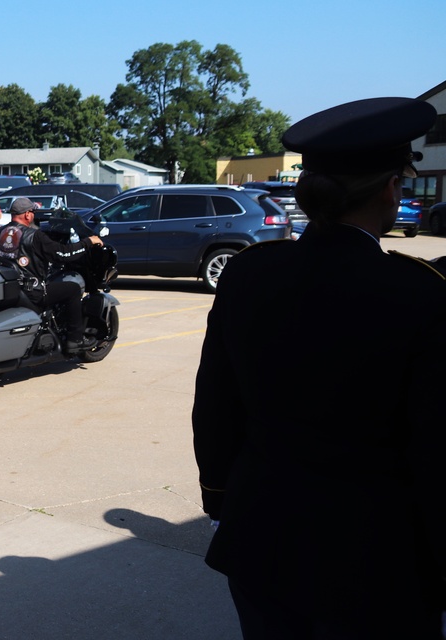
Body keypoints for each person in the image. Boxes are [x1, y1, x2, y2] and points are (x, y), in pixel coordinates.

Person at [192, 97, 446, 639]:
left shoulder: (249, 273)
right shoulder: (419, 292)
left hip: (262, 535)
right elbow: (434, 447)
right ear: (389, 188)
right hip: (378, 552)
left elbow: (215, 404)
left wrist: (219, 498)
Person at [0, 197, 102, 352]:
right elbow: (63, 254)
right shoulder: (35, 236)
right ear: (28, 215)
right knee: (73, 289)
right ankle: (74, 340)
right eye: (33, 212)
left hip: (8, 288)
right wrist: (87, 242)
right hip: (32, 292)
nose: (34, 216)